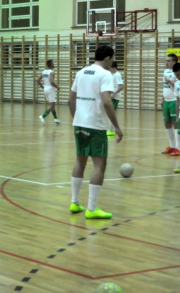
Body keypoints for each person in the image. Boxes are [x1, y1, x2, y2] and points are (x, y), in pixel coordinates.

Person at [68, 45, 123, 219]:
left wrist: (77, 118)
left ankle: (75, 202)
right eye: (112, 59)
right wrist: (117, 127)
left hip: (79, 123)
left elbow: (70, 99)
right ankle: (92, 208)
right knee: (100, 164)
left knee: (80, 160)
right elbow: (107, 102)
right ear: (107, 58)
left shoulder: (81, 72)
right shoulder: (105, 74)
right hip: (95, 124)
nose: (112, 62)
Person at [161, 53, 180, 156]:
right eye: (166, 60)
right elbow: (164, 86)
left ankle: (177, 147)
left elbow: (178, 87)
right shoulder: (165, 71)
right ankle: (172, 146)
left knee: (175, 123)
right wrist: (162, 98)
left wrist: (170, 81)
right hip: (166, 101)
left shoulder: (178, 72)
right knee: (167, 123)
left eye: (169, 61)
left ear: (174, 62)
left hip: (174, 100)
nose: (167, 62)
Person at [37, 59, 60, 125]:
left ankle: (56, 119)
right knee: (52, 104)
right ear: (51, 65)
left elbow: (38, 80)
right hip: (50, 89)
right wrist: (57, 87)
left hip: (45, 89)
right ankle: (43, 116)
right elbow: (52, 82)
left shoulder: (43, 72)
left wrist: (42, 87)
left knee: (52, 105)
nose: (54, 64)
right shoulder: (51, 72)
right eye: (53, 63)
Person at [107, 61, 124, 137]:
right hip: (112, 96)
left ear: (114, 67)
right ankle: (111, 130)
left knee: (111, 113)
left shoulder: (117, 75)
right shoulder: (112, 74)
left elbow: (121, 86)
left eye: (111, 67)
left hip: (115, 97)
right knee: (111, 113)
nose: (109, 69)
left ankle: (111, 131)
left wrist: (114, 93)